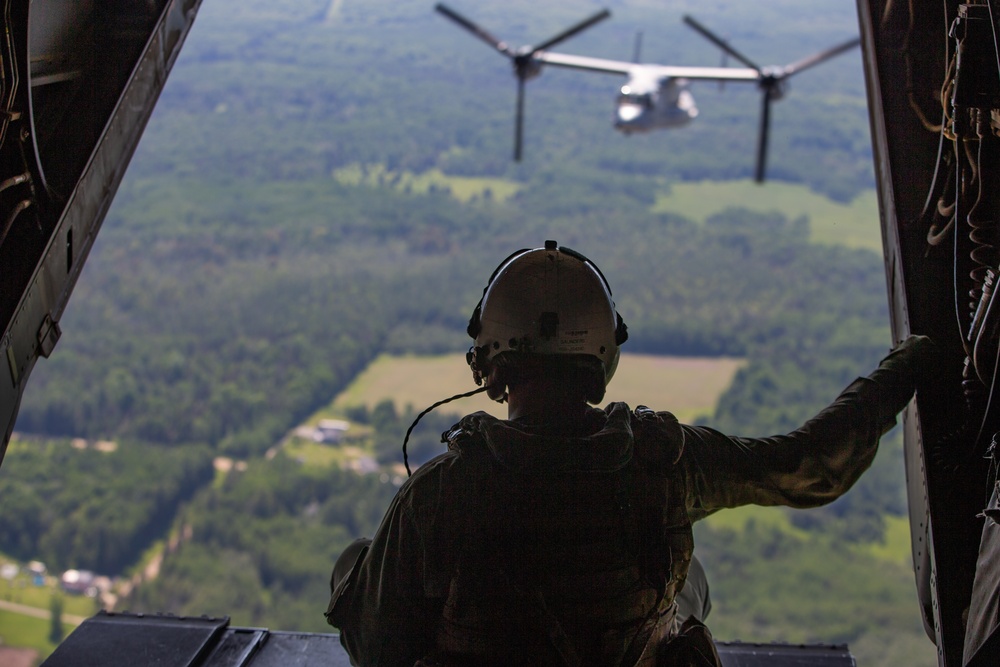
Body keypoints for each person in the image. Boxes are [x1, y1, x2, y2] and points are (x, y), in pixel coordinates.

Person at [326, 241, 933, 666]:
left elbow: (379, 651)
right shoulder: (668, 462)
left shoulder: (438, 494)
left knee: (358, 561)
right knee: (689, 581)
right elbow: (811, 466)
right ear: (604, 357)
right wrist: (908, 365)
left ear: (487, 361)